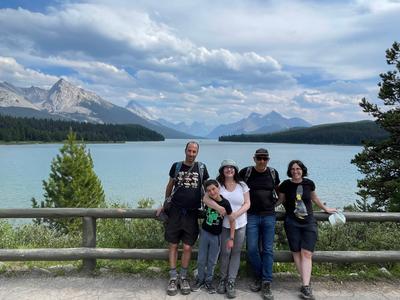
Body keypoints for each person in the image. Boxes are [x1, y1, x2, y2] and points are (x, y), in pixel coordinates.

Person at [277, 160, 336, 300]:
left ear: (302, 170)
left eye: (298, 168)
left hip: (309, 222)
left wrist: (326, 209)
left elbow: (314, 198)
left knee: (307, 253)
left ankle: (305, 284)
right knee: (296, 252)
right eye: (292, 169)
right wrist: (265, 207)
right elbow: (280, 200)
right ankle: (306, 285)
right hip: (292, 222)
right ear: (289, 171)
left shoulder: (309, 183)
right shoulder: (285, 185)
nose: (295, 171)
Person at [156, 141, 209, 296]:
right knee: (173, 245)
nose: (191, 154)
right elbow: (169, 186)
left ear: (197, 153)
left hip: (192, 212)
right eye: (189, 151)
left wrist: (215, 204)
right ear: (185, 150)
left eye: (194, 151)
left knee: (187, 247)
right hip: (175, 212)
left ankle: (183, 276)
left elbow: (207, 189)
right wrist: (165, 204)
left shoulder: (202, 168)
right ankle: (173, 277)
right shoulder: (176, 166)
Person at [204, 159, 250, 299]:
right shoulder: (218, 185)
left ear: (235, 170)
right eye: (226, 168)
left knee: (235, 252)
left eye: (232, 167)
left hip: (240, 224)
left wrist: (236, 214)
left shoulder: (242, 185)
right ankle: (222, 279)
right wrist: (219, 208)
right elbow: (205, 199)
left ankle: (231, 281)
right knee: (225, 252)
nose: (229, 170)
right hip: (224, 225)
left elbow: (248, 203)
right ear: (222, 170)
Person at [239, 148, 280, 300]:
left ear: (268, 159)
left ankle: (266, 282)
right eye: (259, 158)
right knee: (251, 249)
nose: (262, 161)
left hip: (269, 215)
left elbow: (279, 191)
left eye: (265, 159)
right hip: (251, 216)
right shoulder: (246, 172)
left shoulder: (273, 173)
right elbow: (235, 187)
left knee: (268, 250)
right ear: (254, 158)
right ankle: (262, 276)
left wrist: (277, 204)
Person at [192, 179, 235, 294]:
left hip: (216, 235)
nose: (212, 192)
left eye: (214, 189)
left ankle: (208, 282)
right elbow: (205, 198)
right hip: (205, 233)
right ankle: (200, 280)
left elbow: (232, 220)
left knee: (212, 261)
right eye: (209, 190)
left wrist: (231, 238)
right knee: (201, 259)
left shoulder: (225, 203)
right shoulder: (207, 200)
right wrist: (216, 207)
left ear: (218, 188)